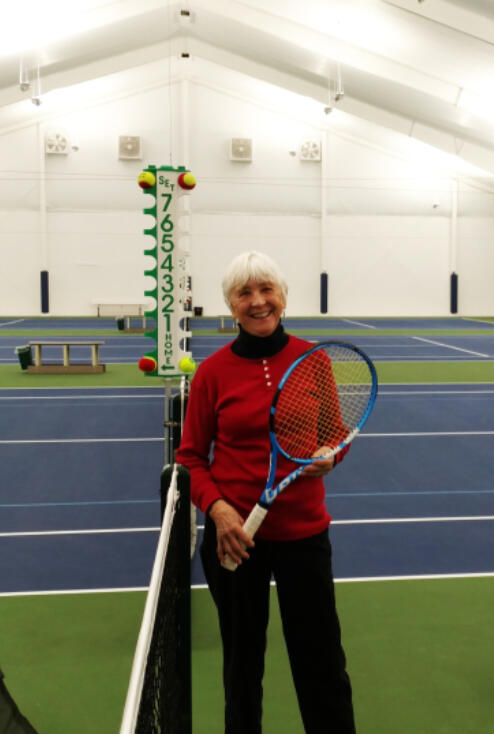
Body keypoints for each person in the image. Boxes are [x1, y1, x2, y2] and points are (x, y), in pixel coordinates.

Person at [176, 251, 357, 733]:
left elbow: (337, 433)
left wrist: (330, 454)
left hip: (304, 538)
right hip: (237, 542)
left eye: (266, 290)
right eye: (244, 293)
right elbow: (190, 457)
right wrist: (218, 511)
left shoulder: (314, 359)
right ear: (231, 306)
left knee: (321, 663)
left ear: (282, 297)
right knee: (242, 668)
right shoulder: (212, 373)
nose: (258, 302)